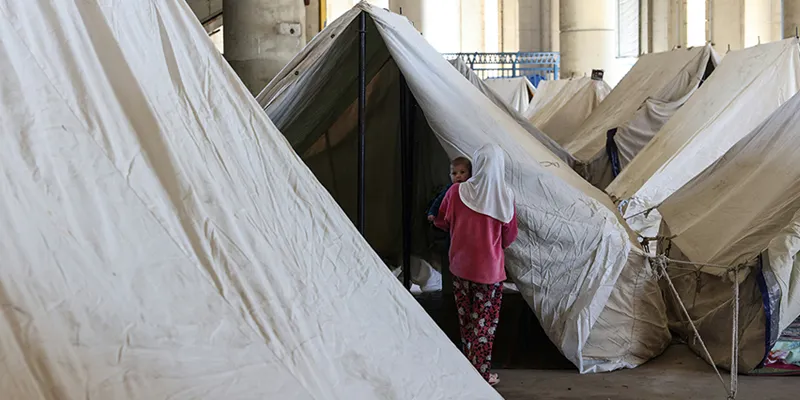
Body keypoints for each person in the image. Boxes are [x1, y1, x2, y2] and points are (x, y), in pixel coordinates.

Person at [434, 144, 518, 387]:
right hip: (489, 272)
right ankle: (480, 376)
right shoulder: (505, 196)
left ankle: (467, 370)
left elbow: (443, 220)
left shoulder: (456, 192)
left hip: (460, 267)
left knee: (467, 322)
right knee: (485, 326)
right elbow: (508, 238)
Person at [426, 157, 472, 222]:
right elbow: (438, 201)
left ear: (470, 174)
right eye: (454, 173)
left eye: (462, 172)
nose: (458, 176)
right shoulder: (449, 188)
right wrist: (432, 213)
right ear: (450, 176)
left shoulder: (471, 187)